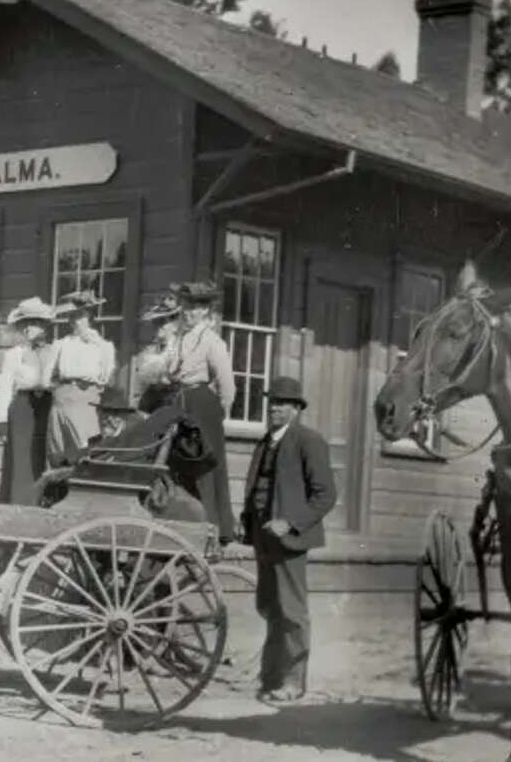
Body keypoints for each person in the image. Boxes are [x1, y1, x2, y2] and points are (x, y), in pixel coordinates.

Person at [111, 280, 238, 543]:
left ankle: (213, 528)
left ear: (206, 311)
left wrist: (217, 413)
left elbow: (227, 385)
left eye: (196, 308)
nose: (189, 313)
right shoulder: (179, 338)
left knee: (203, 466)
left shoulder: (212, 342)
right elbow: (167, 369)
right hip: (178, 400)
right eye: (187, 307)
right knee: (172, 460)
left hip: (202, 404)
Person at [241, 376, 337, 704]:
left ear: (296, 408)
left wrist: (291, 523)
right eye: (272, 403)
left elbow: (326, 495)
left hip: (289, 539)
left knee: (292, 611)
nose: (275, 408)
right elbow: (257, 487)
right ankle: (271, 678)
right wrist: (248, 522)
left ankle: (294, 683)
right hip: (262, 536)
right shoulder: (266, 441)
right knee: (270, 606)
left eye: (282, 403)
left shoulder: (309, 441)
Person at [0, 296, 57, 504]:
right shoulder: (15, 354)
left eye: (34, 323)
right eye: (25, 323)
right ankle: (19, 505)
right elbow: (4, 388)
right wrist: (2, 421)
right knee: (22, 459)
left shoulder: (55, 352)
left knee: (45, 457)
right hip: (23, 408)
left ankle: (42, 503)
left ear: (45, 325)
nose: (28, 328)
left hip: (49, 407)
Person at [46, 290, 116, 466]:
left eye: (79, 316)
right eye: (71, 316)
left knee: (85, 448)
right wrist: (59, 387)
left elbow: (105, 376)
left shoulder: (103, 346)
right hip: (61, 399)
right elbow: (48, 376)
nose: (74, 321)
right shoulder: (61, 344)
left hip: (85, 399)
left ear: (90, 316)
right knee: (58, 451)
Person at [134, 295, 182, 413]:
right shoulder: (153, 349)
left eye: (162, 323)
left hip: (173, 397)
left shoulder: (179, 347)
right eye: (156, 323)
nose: (158, 328)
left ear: (174, 324)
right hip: (153, 397)